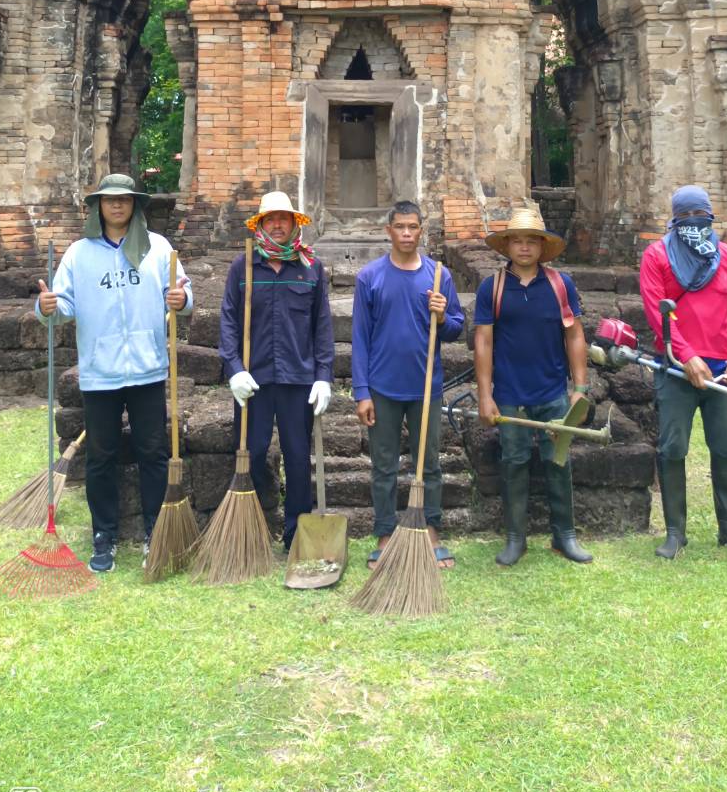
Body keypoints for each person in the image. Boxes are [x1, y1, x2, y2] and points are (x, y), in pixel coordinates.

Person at [37, 173, 192, 573]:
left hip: (147, 368)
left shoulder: (158, 248)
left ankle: (155, 531)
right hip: (100, 371)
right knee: (101, 457)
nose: (117, 206)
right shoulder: (79, 253)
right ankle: (103, 535)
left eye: (124, 199)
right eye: (109, 200)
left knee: (153, 453)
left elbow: (181, 294)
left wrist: (182, 298)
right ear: (98, 206)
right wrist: (48, 306)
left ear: (135, 204)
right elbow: (62, 304)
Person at [638, 183, 727, 559]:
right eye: (687, 217)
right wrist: (686, 355)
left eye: (702, 217)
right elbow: (656, 314)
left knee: (726, 446)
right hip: (677, 370)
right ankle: (675, 533)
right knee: (673, 447)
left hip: (723, 371)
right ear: (675, 219)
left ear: (711, 218)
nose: (694, 223)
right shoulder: (656, 256)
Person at [474, 208, 593, 566]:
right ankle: (515, 538)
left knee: (559, 462)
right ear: (507, 246)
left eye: (531, 241)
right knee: (513, 463)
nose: (524, 248)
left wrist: (580, 388)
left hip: (553, 392)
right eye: (517, 241)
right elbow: (483, 343)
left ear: (542, 247)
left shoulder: (560, 285)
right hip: (509, 395)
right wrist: (485, 394)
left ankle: (565, 535)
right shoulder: (491, 287)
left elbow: (574, 335)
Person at [218, 191, 335, 551]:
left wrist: (324, 376)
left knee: (298, 459)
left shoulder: (311, 268)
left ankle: (295, 534)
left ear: (294, 223)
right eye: (271, 219)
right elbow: (228, 321)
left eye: (285, 218)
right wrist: (234, 369)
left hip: (298, 380)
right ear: (261, 225)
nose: (279, 225)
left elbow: (323, 326)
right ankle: (252, 527)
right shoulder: (243, 266)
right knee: (250, 454)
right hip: (253, 382)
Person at [352, 201, 465, 569]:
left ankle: (430, 530)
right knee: (383, 465)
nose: (406, 233)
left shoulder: (438, 276)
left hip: (426, 387)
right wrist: (362, 392)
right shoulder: (370, 277)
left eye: (412, 227)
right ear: (389, 231)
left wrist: (442, 314)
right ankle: (385, 533)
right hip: (383, 387)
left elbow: (455, 329)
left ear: (421, 230)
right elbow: (361, 338)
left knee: (428, 463)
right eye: (399, 227)